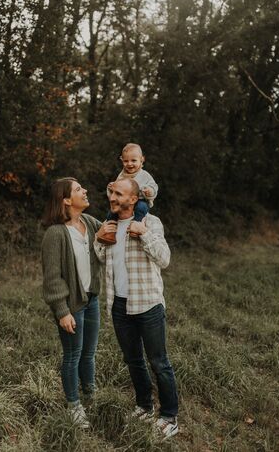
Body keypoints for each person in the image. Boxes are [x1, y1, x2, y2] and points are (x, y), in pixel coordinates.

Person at [94, 178, 179, 440]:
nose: (113, 197)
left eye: (119, 194)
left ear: (133, 199)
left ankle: (169, 416)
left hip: (148, 303)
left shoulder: (150, 222)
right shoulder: (107, 224)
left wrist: (142, 234)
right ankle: (144, 406)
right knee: (133, 360)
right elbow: (101, 257)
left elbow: (164, 259)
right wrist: (98, 239)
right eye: (111, 193)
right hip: (119, 304)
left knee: (159, 362)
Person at [41, 177, 102, 429]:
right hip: (71, 306)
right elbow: (52, 278)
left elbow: (112, 227)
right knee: (73, 356)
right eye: (78, 189)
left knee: (89, 354)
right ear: (66, 200)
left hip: (92, 300)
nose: (84, 190)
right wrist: (62, 311)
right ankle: (74, 406)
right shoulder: (55, 234)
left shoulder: (89, 223)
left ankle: (90, 397)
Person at [97, 143, 158, 245]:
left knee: (141, 208)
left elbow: (154, 187)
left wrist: (149, 191)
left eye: (133, 160)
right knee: (111, 213)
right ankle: (110, 233)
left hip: (140, 200)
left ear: (142, 159)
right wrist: (112, 188)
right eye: (126, 161)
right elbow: (115, 194)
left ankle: (135, 227)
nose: (129, 164)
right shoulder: (121, 176)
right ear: (122, 160)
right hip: (123, 203)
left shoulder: (145, 175)